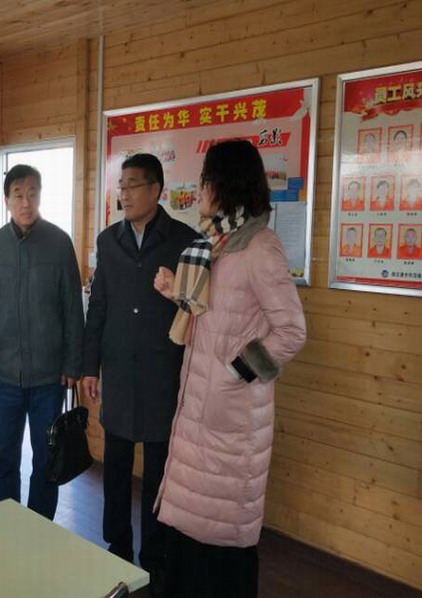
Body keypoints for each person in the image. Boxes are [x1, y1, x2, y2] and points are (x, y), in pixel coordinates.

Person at [153, 140, 306, 597]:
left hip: (230, 418)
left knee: (222, 539)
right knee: (191, 532)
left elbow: (291, 331)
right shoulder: (219, 243)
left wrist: (233, 374)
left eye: (206, 181)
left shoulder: (260, 246)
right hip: (200, 412)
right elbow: (218, 314)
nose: (200, 190)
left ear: (226, 185)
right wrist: (176, 292)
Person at [82, 154, 198, 593]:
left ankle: (155, 552)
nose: (124, 194)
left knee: (157, 470)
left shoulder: (184, 241)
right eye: (121, 186)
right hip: (118, 369)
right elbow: (98, 306)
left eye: (132, 186)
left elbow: (197, 309)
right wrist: (89, 366)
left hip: (163, 370)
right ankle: (116, 545)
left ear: (156, 190)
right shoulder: (109, 240)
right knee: (114, 465)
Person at [0, 164, 84, 520]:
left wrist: (73, 363)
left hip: (49, 379)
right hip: (4, 375)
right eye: (18, 195)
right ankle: (7, 525)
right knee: (5, 456)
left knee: (46, 458)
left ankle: (39, 528)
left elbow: (73, 309)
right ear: (7, 200)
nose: (26, 201)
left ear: (40, 196)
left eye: (32, 193)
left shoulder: (59, 243)